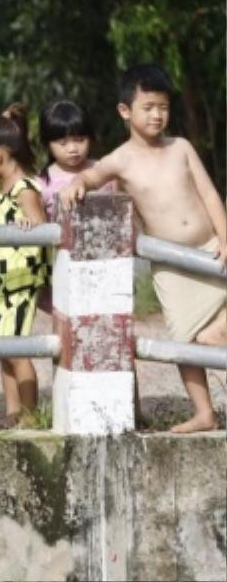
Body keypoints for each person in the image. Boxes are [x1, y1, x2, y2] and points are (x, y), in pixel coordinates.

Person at [61, 63, 227, 433]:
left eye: (163, 107)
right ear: (125, 111)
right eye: (148, 107)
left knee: (214, 328)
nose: (157, 115)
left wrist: (226, 237)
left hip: (210, 247)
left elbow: (210, 194)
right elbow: (92, 173)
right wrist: (78, 184)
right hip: (172, 266)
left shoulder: (180, 147)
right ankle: (204, 412)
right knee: (186, 339)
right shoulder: (122, 158)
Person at [0, 104, 48, 428]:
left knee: (16, 350)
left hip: (19, 282)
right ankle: (12, 410)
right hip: (0, 283)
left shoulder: (24, 190)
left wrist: (32, 228)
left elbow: (43, 230)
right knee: (3, 350)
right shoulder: (2, 190)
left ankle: (29, 414)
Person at [36, 100, 111, 222]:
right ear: (47, 144)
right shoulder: (41, 184)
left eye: (80, 140)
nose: (72, 149)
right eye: (63, 143)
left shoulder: (105, 171)